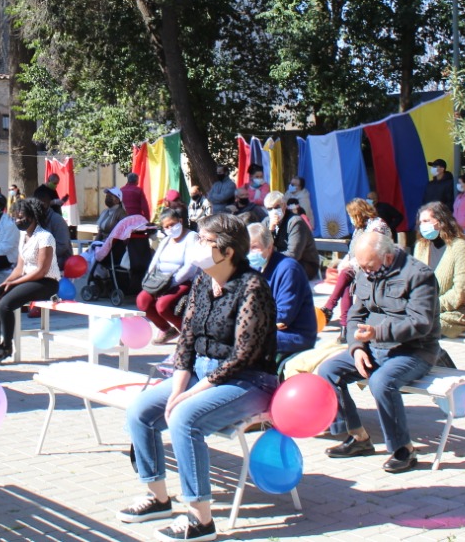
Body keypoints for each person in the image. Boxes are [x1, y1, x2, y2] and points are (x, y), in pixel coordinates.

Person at [119, 214, 279, 542]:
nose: (197, 245)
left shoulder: (253, 286)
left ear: (227, 250)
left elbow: (242, 357)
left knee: (184, 419)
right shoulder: (203, 280)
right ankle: (158, 497)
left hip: (248, 380)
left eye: (204, 240)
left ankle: (200, 520)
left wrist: (186, 398)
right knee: (140, 412)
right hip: (202, 373)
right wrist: (179, 388)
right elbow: (187, 339)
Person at [318, 230, 439, 474]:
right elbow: (354, 315)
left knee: (381, 381)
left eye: (369, 265)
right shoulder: (365, 272)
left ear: (386, 256)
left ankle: (403, 449)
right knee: (328, 371)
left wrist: (377, 333)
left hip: (414, 351)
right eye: (362, 265)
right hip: (373, 347)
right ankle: (358, 437)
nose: (365, 270)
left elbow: (421, 323)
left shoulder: (419, 275)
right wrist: (357, 348)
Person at [0, 198, 60, 366]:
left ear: (33, 216)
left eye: (21, 217)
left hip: (46, 282)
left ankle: (6, 346)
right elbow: (19, 268)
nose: (18, 220)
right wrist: (6, 283)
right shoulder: (23, 236)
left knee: (5, 304)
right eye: (15, 217)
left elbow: (41, 270)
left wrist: (14, 284)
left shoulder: (45, 237)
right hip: (27, 278)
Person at [248, 223, 317, 362]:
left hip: (294, 334)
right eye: (247, 248)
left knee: (247, 340)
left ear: (269, 247)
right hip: (268, 328)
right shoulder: (254, 268)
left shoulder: (288, 269)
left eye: (255, 247)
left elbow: (283, 317)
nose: (250, 253)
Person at [321, 199, 391, 330]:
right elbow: (352, 251)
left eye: (351, 215)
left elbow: (372, 252)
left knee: (346, 275)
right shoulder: (359, 229)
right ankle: (344, 325)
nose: (350, 219)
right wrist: (345, 261)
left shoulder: (377, 226)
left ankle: (332, 310)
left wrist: (351, 264)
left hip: (376, 265)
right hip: (359, 266)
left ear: (358, 213)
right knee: (346, 281)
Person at [412, 202, 465, 340]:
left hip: (455, 314)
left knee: (419, 329)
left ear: (440, 221)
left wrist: (432, 305)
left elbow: (462, 291)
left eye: (427, 221)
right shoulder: (421, 247)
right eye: (421, 222)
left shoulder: (459, 247)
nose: (423, 226)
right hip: (426, 311)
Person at [136, 207, 198, 345]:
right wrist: (149, 280)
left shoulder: (191, 237)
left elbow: (190, 267)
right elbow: (154, 262)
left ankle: (189, 333)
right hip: (160, 280)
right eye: (166, 227)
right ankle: (166, 329)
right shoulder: (166, 240)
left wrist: (171, 284)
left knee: (162, 306)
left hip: (181, 281)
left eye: (172, 224)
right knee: (142, 301)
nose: (170, 228)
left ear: (180, 221)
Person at [263, 190, 319, 281]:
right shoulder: (266, 222)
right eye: (269, 209)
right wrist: (271, 230)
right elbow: (262, 246)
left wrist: (269, 257)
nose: (273, 211)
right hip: (278, 260)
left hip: (303, 264)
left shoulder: (295, 222)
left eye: (276, 207)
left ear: (284, 205)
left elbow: (293, 255)